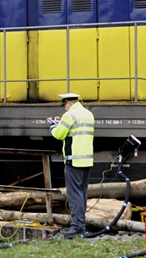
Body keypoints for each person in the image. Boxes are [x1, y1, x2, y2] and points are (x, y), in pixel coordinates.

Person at [48, 93, 95, 238]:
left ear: (68, 102)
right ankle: (80, 224)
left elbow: (59, 134)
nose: (64, 109)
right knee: (82, 194)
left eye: (64, 105)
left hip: (73, 161)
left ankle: (77, 227)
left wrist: (53, 125)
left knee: (74, 195)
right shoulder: (88, 114)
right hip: (86, 160)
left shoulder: (70, 115)